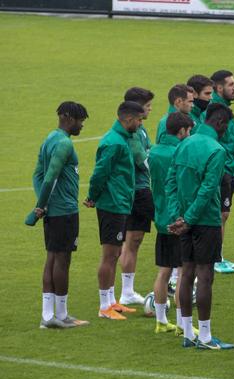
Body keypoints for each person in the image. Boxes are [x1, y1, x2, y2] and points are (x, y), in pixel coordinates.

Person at [166, 103, 234, 350]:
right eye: (227, 126)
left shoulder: (184, 144)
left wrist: (178, 217)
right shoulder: (216, 150)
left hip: (183, 220)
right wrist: (191, 218)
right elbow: (208, 190)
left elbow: (170, 182)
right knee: (205, 275)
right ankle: (205, 336)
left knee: (186, 273)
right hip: (204, 221)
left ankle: (187, 333)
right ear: (220, 124)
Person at [27, 101, 90, 329]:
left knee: (53, 258)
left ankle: (49, 315)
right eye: (80, 121)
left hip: (56, 210)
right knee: (62, 261)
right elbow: (50, 176)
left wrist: (42, 205)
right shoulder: (63, 143)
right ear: (68, 118)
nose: (82, 126)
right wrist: (41, 206)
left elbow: (37, 174)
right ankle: (59, 315)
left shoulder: (50, 138)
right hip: (64, 211)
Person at [85, 101, 144, 320]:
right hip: (112, 205)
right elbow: (100, 173)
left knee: (116, 252)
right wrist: (93, 196)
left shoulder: (122, 139)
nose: (140, 124)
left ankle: (111, 301)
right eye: (139, 120)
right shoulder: (113, 143)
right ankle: (103, 306)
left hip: (120, 203)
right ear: (128, 119)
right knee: (109, 255)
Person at [149, 112, 194, 334]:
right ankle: (180, 324)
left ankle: (160, 321)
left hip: (160, 218)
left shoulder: (154, 151)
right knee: (183, 274)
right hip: (178, 218)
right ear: (181, 131)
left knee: (163, 271)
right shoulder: (180, 151)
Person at [118, 87, 155, 306]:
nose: (150, 109)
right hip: (138, 191)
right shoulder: (132, 135)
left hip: (139, 190)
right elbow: (145, 161)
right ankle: (127, 291)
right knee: (134, 240)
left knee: (134, 240)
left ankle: (127, 291)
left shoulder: (140, 130)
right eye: (148, 105)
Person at [211, 69, 234, 274]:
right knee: (220, 214)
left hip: (230, 168)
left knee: (223, 215)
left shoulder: (224, 109)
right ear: (219, 88)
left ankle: (218, 256)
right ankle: (215, 258)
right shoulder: (216, 111)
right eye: (231, 84)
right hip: (223, 170)